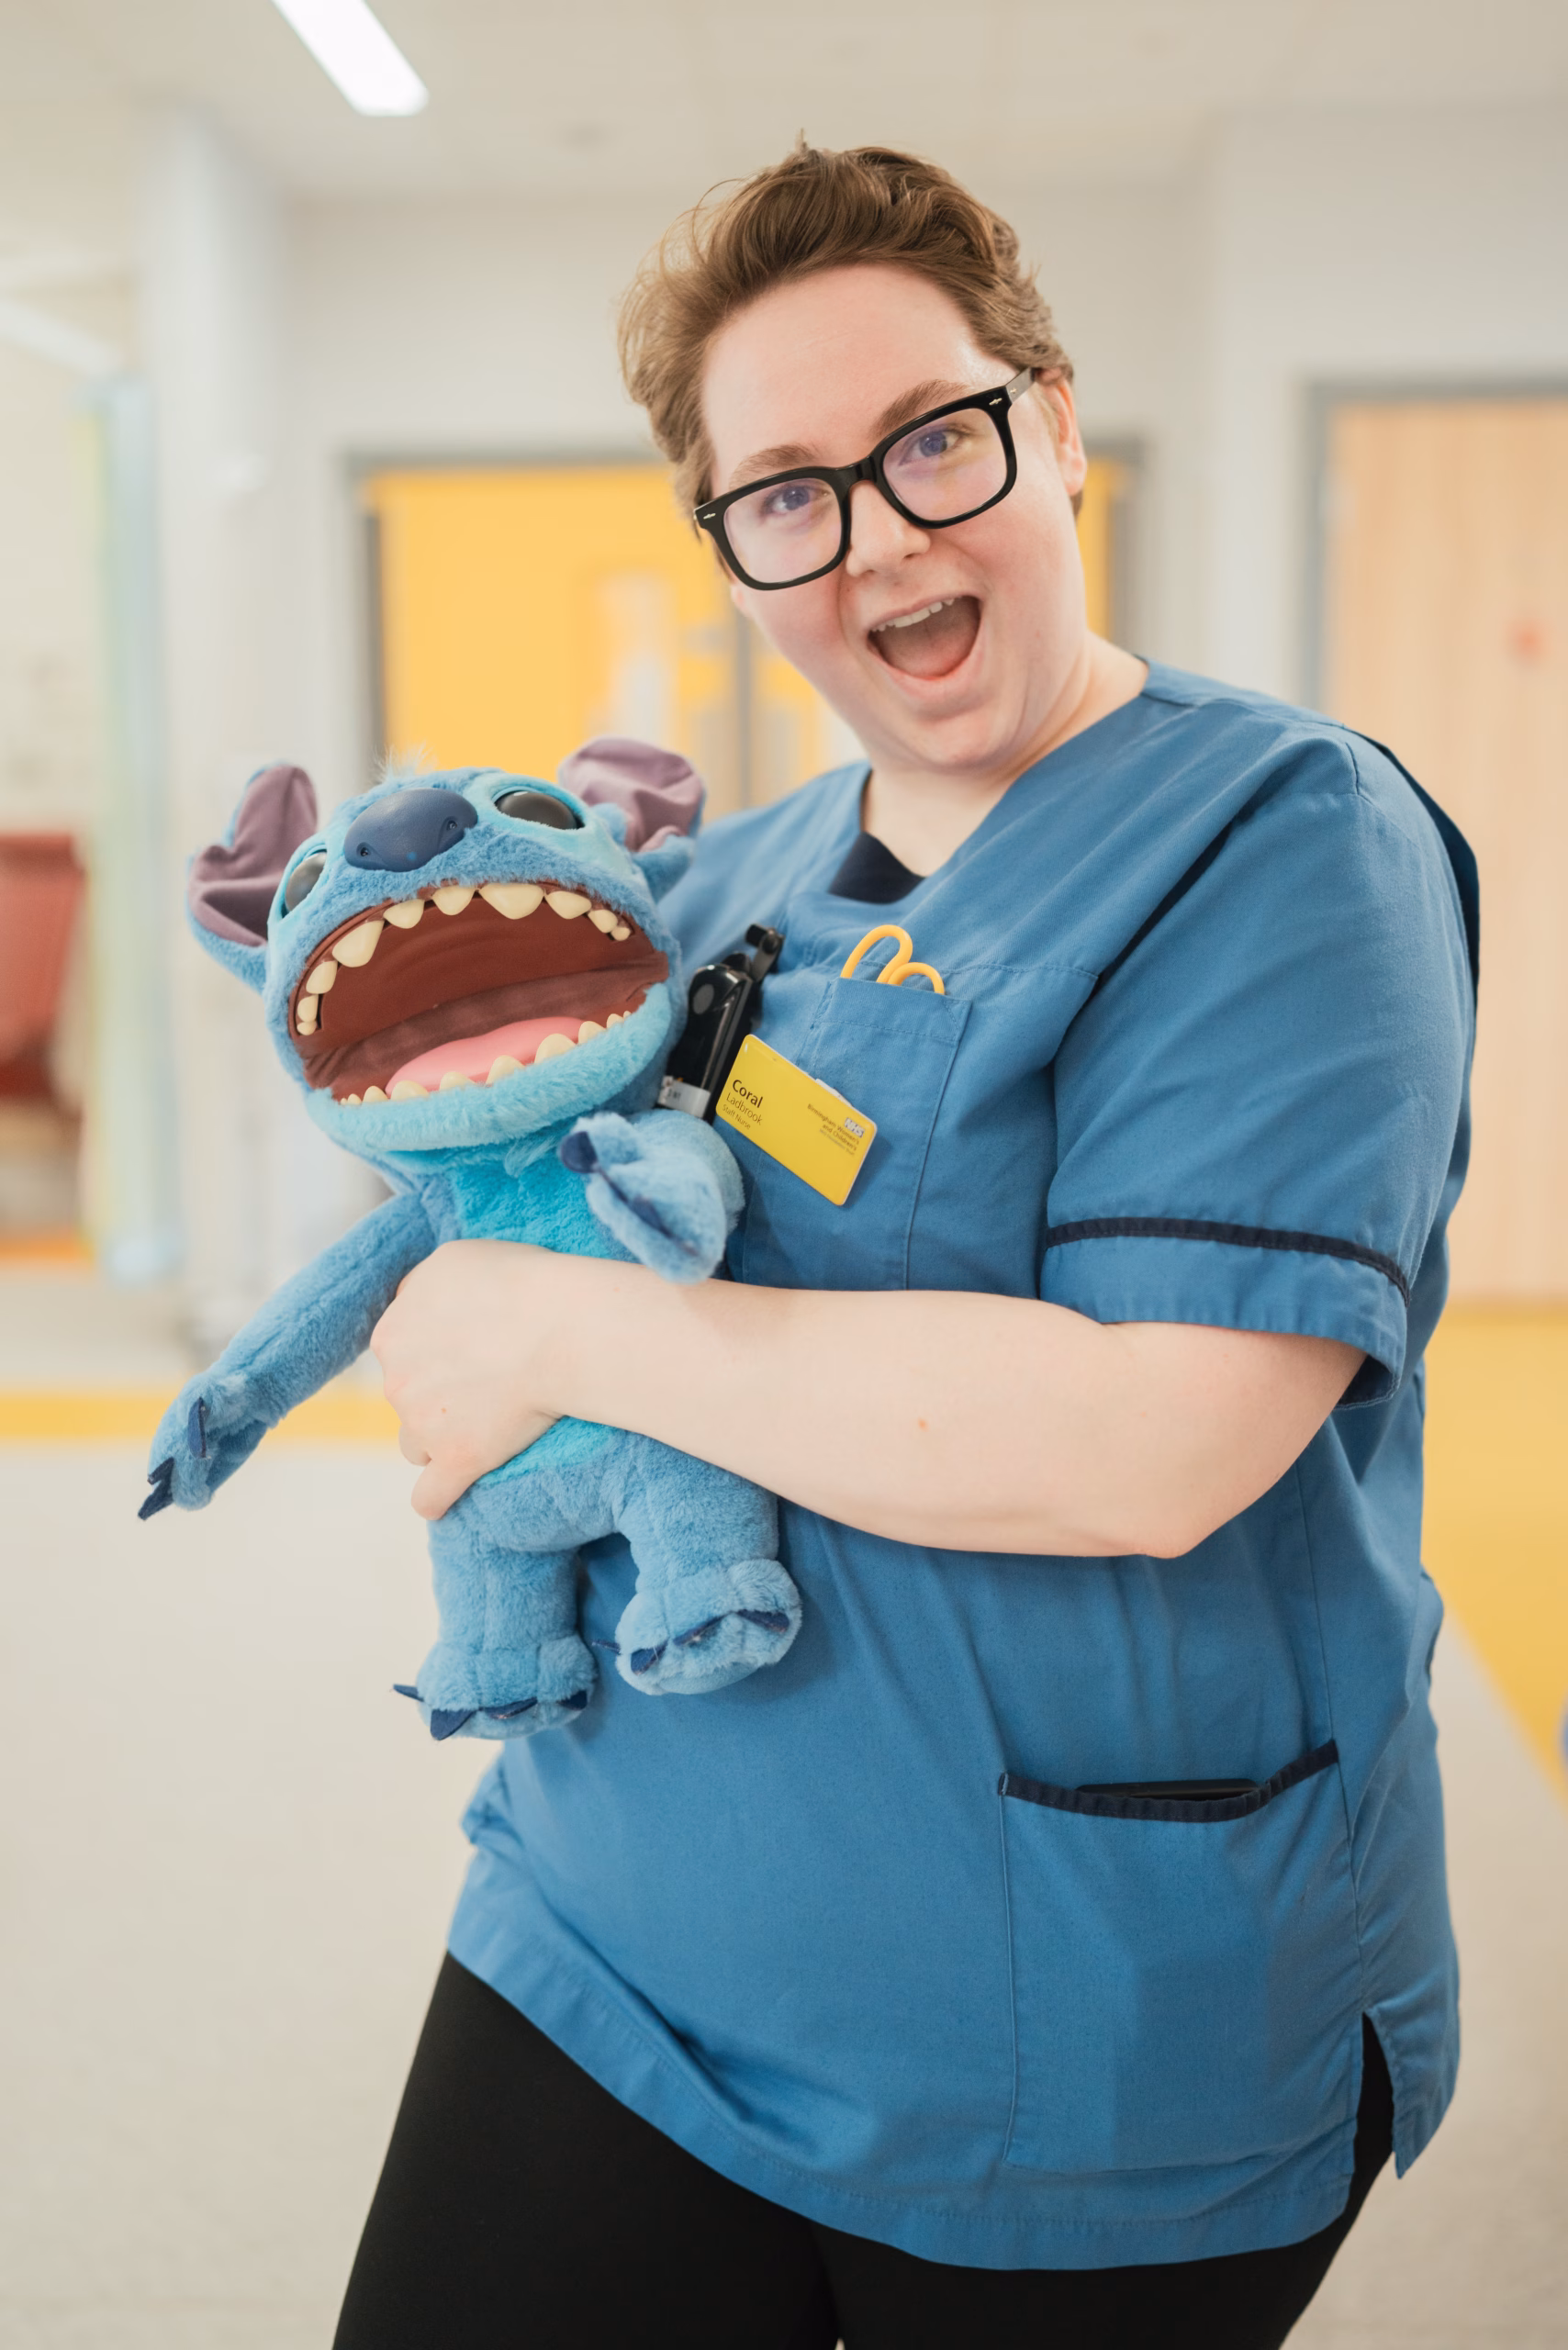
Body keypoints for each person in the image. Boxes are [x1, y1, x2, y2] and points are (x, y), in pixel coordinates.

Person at [336, 144, 1475, 2348]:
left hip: (1075, 2001)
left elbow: (1151, 1440)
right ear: (729, 550)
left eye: (930, 440)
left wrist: (566, 1322)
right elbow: (487, 1187)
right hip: (618, 1910)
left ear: (1047, 419)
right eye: (785, 491)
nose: (880, 533)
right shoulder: (716, 887)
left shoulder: (1277, 840)